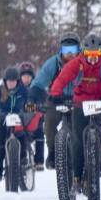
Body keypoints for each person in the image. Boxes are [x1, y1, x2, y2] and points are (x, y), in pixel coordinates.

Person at [48, 34, 101, 184]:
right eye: (89, 55)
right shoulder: (76, 63)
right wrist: (55, 93)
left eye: (96, 55)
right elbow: (62, 78)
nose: (93, 58)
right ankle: (76, 177)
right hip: (80, 102)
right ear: (84, 53)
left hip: (100, 99)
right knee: (77, 141)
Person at [29, 33, 82, 169]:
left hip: (79, 100)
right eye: (66, 50)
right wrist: (31, 99)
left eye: (73, 50)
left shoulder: (84, 63)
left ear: (79, 49)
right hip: (56, 99)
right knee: (49, 122)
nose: (70, 54)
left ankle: (93, 155)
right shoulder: (53, 63)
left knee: (85, 125)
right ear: (61, 50)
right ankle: (52, 152)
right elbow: (38, 83)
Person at [0, 67, 29, 181]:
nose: (11, 83)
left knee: (23, 135)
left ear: (18, 81)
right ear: (5, 81)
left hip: (18, 118)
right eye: (9, 81)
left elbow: (30, 102)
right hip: (3, 119)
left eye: (14, 81)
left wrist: (32, 109)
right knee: (1, 142)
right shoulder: (0, 90)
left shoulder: (23, 90)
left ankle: (24, 159)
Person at [18, 61, 46, 170]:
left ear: (32, 77)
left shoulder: (38, 88)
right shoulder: (17, 88)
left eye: (28, 76)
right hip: (20, 119)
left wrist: (40, 107)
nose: (26, 79)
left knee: (40, 133)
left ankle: (39, 161)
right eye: (24, 76)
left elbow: (45, 100)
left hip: (35, 119)